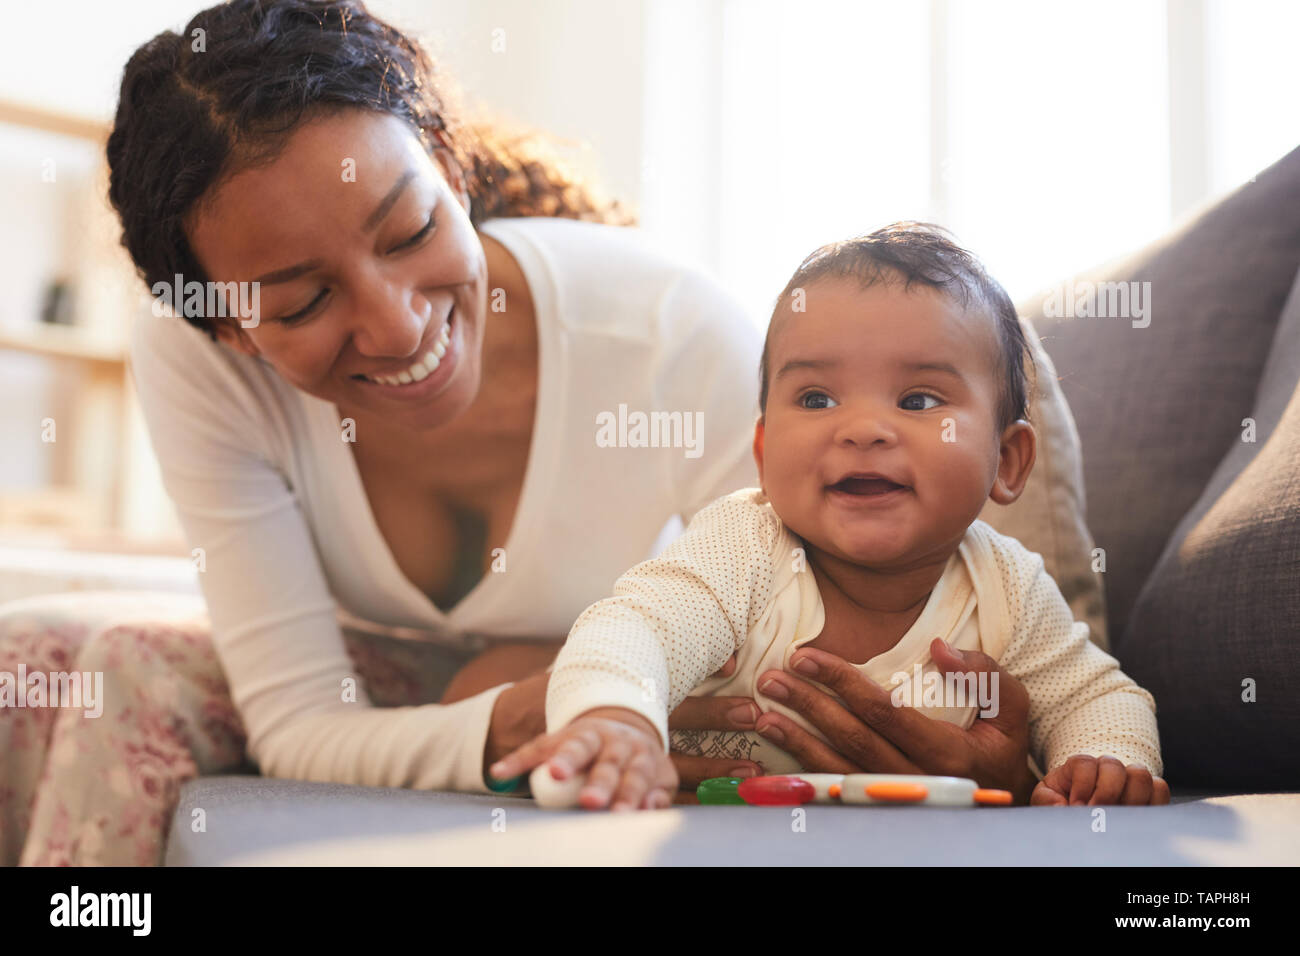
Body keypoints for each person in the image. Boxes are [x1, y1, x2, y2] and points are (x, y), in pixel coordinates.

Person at [1, 0, 1091, 864]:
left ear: (450, 165)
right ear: (229, 329)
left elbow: (851, 634)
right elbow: (296, 714)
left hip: (651, 683)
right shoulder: (193, 356)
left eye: (412, 228)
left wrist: (975, 723)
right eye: (296, 304)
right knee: (51, 654)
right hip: (458, 683)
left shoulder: (667, 334)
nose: (394, 323)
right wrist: (503, 711)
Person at [490, 225, 1171, 811]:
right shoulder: (745, 547)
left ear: (1008, 460)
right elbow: (635, 629)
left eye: (918, 398)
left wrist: (1102, 761)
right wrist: (616, 718)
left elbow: (1097, 694)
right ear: (762, 451)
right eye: (816, 399)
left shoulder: (1008, 590)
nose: (863, 428)